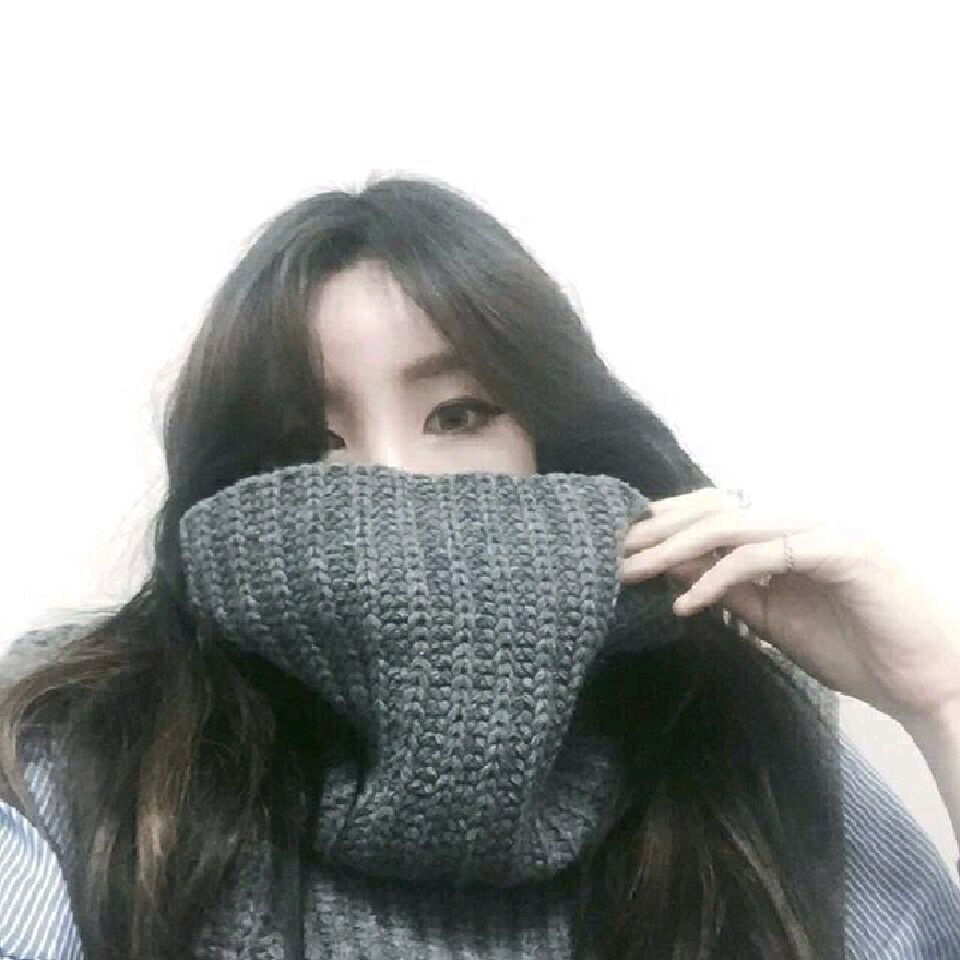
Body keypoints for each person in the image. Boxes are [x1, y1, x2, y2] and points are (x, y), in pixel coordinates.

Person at [1, 174, 959, 960]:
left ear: (554, 443)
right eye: (307, 441)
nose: (392, 482)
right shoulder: (75, 754)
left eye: (457, 416)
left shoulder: (728, 739)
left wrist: (943, 700)